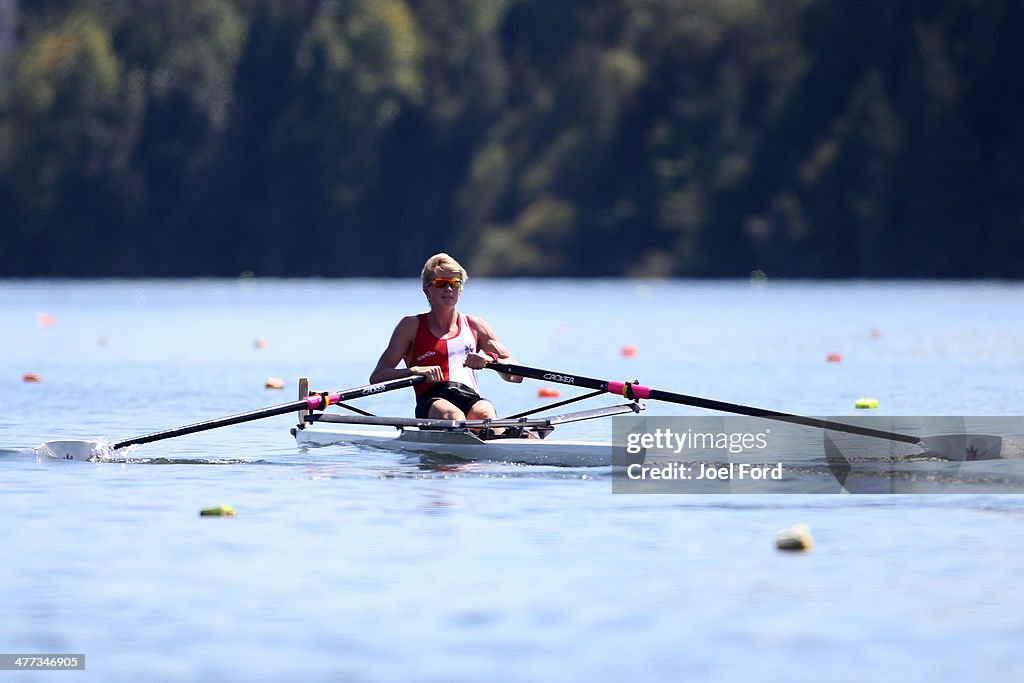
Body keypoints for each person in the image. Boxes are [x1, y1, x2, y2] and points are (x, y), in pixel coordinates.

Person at [369, 253, 523, 427]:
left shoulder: (476, 325)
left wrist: (490, 360)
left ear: (461, 289)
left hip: (469, 397)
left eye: (454, 283)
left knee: (485, 412)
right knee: (454, 416)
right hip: (432, 401)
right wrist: (414, 371)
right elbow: (378, 377)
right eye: (441, 283)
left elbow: (516, 376)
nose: (448, 289)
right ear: (426, 290)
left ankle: (494, 439)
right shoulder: (410, 326)